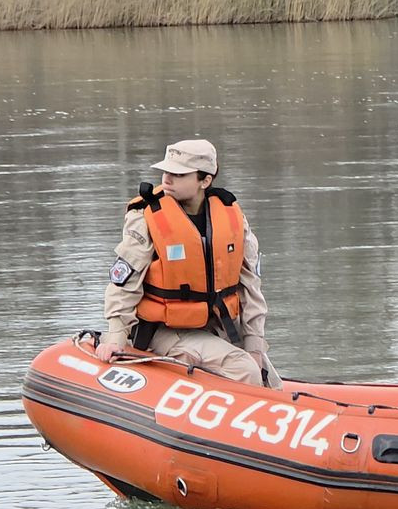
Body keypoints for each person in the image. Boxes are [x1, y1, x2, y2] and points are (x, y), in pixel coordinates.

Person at [95, 139, 279, 388]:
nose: (167, 179)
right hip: (166, 330)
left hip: (217, 325)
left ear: (205, 180)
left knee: (271, 383)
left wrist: (254, 345)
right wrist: (116, 337)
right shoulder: (146, 218)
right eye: (166, 171)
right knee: (245, 370)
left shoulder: (233, 219)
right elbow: (124, 284)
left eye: (179, 174)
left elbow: (251, 288)